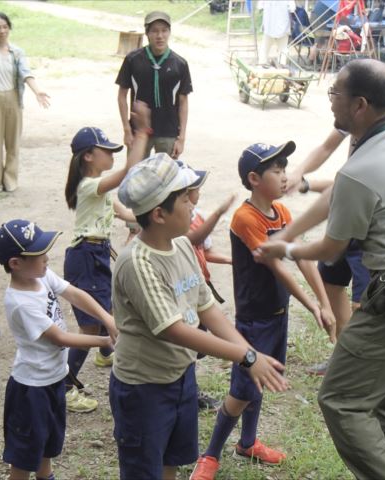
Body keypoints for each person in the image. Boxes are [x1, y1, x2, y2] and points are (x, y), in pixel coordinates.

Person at [257, 59, 385, 480]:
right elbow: (336, 191)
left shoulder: (361, 169)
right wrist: (288, 233)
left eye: (336, 93)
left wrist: (286, 249)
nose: (330, 98)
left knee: (341, 400)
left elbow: (332, 250)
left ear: (360, 105)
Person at [110, 154, 289, 480]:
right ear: (159, 214)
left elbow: (206, 307)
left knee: (170, 462)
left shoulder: (180, 246)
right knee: (143, 470)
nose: (193, 201)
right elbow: (175, 330)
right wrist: (246, 356)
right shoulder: (138, 262)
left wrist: (249, 352)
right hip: (143, 389)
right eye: (184, 197)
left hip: (180, 377)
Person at [190, 142, 335, 480]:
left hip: (277, 315)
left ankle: (248, 443)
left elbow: (301, 256)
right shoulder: (245, 218)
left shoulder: (282, 214)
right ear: (254, 178)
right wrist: (312, 305)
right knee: (242, 391)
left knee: (261, 382)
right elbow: (277, 266)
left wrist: (325, 303)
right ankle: (210, 455)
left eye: (286, 169)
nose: (285, 177)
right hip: (254, 318)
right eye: (277, 170)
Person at [0, 219, 114, 480]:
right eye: (39, 254)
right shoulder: (20, 302)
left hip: (54, 378)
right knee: (24, 457)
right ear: (16, 263)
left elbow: (75, 294)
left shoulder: (40, 275)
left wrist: (107, 319)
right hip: (30, 390)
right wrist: (105, 342)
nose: (47, 258)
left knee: (47, 445)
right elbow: (60, 338)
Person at [62, 105, 148, 413]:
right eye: (106, 150)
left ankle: (104, 352)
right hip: (86, 256)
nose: (111, 154)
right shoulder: (89, 186)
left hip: (94, 254)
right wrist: (141, 134)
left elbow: (126, 214)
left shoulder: (99, 192)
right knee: (89, 328)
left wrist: (148, 220)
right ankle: (66, 385)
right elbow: (127, 173)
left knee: (105, 312)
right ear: (88, 156)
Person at [285, 128, 370, 376]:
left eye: (337, 95)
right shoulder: (351, 122)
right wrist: (301, 177)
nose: (333, 101)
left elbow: (349, 187)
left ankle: (363, 368)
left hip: (367, 227)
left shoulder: (382, 137)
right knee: (331, 283)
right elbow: (325, 149)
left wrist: (306, 185)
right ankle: (344, 359)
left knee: (362, 305)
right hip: (344, 222)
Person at [0, 0, 50, 193]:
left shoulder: (17, 52)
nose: (1, 30)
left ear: (9, 28)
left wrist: (37, 91)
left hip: (13, 100)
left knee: (13, 144)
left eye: (4, 27)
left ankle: (10, 180)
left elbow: (25, 72)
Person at [183, 164, 236, 411]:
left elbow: (207, 251)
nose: (199, 192)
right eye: (196, 188)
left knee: (194, 346)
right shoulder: (180, 223)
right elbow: (189, 242)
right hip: (183, 291)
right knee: (188, 343)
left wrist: (233, 259)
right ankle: (189, 394)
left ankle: (189, 391)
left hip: (199, 288)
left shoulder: (199, 216)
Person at [116, 11, 192, 159]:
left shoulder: (180, 64)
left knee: (166, 178)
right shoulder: (133, 60)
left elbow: (183, 102)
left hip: (168, 132)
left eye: (164, 30)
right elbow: (121, 96)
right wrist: (126, 129)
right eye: (155, 31)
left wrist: (181, 137)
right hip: (138, 131)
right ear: (147, 33)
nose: (160, 36)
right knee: (135, 176)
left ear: (169, 32)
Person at [258, 0, 296, 66]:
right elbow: (292, 8)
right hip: (282, 24)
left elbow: (260, 7)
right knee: (283, 48)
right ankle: (281, 64)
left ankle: (262, 63)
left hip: (269, 23)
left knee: (265, 46)